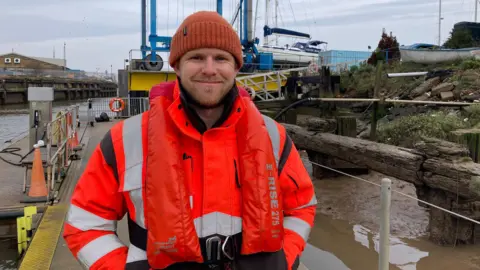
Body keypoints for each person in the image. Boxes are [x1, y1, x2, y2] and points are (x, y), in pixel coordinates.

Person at [63, 11, 317, 270]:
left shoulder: (273, 136)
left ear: (236, 67)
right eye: (196, 57)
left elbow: (301, 208)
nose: (209, 69)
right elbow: (85, 224)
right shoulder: (124, 140)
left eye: (221, 58)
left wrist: (284, 259)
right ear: (176, 65)